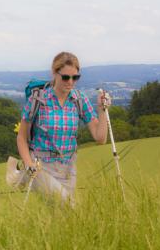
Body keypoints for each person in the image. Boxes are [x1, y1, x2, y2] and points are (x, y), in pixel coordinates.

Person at [16, 51, 110, 204]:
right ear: (55, 73)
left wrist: (101, 110)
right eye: (65, 77)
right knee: (69, 208)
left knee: (60, 221)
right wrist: (28, 164)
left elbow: (100, 138)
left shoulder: (79, 99)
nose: (70, 82)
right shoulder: (38, 99)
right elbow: (21, 137)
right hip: (41, 167)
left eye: (75, 77)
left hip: (68, 170)